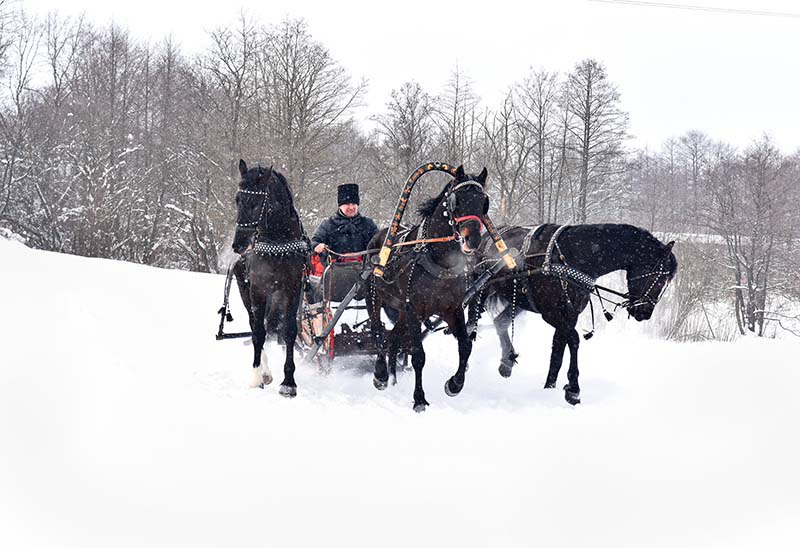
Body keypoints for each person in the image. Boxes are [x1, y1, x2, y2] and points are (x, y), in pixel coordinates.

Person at [311, 183, 378, 260]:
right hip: (335, 268)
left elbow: (379, 243)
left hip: (365, 268)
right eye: (347, 204)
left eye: (353, 204)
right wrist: (317, 246)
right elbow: (314, 242)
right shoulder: (328, 225)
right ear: (340, 205)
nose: (351, 207)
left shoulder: (368, 224)